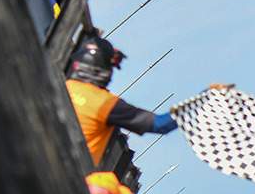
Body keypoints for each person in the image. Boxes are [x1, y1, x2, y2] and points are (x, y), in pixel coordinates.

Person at [65, 34, 179, 165]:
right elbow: (161, 124)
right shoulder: (106, 103)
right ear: (105, 70)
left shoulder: (62, 87)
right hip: (69, 178)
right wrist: (204, 100)